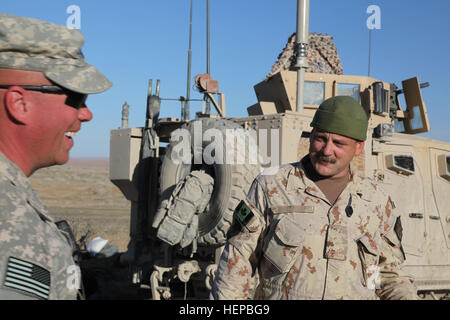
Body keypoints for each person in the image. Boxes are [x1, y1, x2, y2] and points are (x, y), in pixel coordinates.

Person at [210, 95, 418, 300]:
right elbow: (237, 264)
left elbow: (386, 273)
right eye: (320, 138)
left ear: (359, 148)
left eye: (339, 143)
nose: (327, 150)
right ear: (310, 136)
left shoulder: (377, 201)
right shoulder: (271, 186)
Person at [0, 14, 111, 299]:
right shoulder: (10, 222)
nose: (86, 114)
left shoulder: (15, 197)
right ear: (19, 103)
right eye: (75, 98)